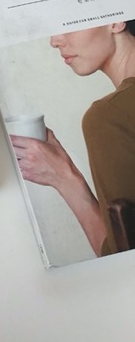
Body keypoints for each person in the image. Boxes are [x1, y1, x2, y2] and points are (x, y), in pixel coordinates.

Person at [10, 20, 135, 256]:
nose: (54, 41)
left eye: (67, 22)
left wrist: (65, 179)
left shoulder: (110, 115)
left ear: (116, 21)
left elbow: (121, 258)